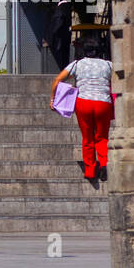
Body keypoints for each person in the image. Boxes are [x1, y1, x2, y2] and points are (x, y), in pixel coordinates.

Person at [50, 40, 113, 181]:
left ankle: (90, 171)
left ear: (84, 52)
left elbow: (57, 80)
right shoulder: (108, 65)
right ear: (99, 51)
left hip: (83, 103)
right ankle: (104, 164)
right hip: (103, 103)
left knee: (87, 137)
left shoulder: (77, 64)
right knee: (102, 136)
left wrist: (53, 99)